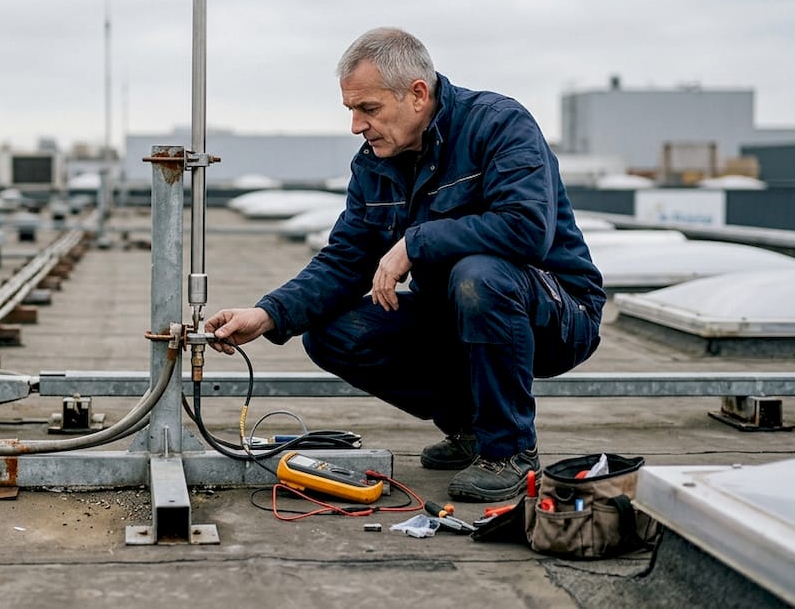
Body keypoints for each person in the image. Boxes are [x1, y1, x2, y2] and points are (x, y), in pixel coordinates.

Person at [204, 27, 605, 502]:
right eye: (351, 110)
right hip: (459, 313)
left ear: (418, 94)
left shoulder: (498, 124)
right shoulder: (375, 163)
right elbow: (345, 258)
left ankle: (510, 450)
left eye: (368, 109)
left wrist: (415, 244)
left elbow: (526, 228)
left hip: (557, 313)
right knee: (333, 333)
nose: (357, 125)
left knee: (479, 275)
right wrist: (268, 313)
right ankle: (473, 429)